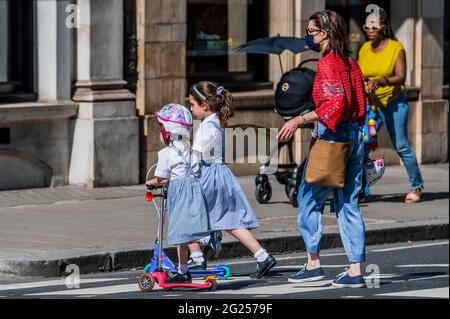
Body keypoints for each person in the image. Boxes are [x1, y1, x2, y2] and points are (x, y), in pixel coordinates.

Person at [277, 10, 367, 288]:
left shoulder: (328, 63)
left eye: (312, 31)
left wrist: (299, 119)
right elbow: (360, 101)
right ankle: (355, 271)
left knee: (308, 196)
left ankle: (313, 263)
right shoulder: (351, 62)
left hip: (332, 138)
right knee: (348, 203)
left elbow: (334, 104)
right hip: (355, 137)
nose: (309, 36)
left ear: (325, 34)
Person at [187, 81, 277, 279]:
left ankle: (196, 255)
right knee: (228, 220)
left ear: (204, 105)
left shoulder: (207, 128)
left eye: (192, 104)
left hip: (207, 176)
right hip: (218, 174)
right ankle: (262, 256)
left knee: (189, 214)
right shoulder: (214, 123)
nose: (190, 108)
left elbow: (195, 157)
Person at [358, 7, 424, 203]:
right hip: (371, 106)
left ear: (383, 28)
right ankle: (361, 188)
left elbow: (401, 77)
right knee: (361, 146)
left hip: (393, 104)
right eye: (366, 27)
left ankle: (416, 187)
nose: (369, 31)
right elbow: (360, 75)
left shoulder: (396, 48)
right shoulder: (364, 49)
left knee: (402, 146)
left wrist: (380, 81)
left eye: (374, 27)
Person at [146, 103, 211, 284]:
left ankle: (197, 259)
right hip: (194, 192)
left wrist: (150, 183)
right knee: (184, 231)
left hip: (178, 196)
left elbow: (162, 178)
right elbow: (195, 172)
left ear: (167, 131)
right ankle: (183, 269)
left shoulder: (166, 153)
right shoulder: (191, 151)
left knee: (181, 231)